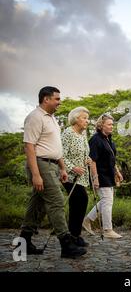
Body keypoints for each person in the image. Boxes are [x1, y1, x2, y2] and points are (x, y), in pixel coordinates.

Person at [20, 86, 87, 258]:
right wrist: (36, 174)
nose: (60, 102)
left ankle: (24, 242)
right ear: (46, 99)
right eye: (57, 99)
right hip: (41, 164)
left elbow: (56, 147)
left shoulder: (52, 119)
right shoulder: (35, 117)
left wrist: (63, 167)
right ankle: (66, 245)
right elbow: (29, 147)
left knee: (37, 204)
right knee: (57, 201)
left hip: (53, 164)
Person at [82, 114, 123, 239]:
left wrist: (117, 172)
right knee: (107, 201)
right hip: (100, 174)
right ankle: (107, 229)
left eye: (112, 124)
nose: (112, 126)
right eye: (109, 124)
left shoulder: (108, 139)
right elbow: (92, 160)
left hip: (109, 174)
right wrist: (95, 178)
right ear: (101, 125)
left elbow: (112, 158)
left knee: (106, 200)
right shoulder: (95, 139)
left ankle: (87, 220)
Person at [61, 106, 92, 247]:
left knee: (80, 203)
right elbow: (60, 155)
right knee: (79, 201)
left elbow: (85, 152)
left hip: (82, 176)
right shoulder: (68, 133)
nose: (87, 121)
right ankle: (73, 235)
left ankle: (75, 235)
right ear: (75, 119)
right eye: (84, 118)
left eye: (87, 118)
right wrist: (73, 167)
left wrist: (88, 159)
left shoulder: (83, 134)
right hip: (69, 175)